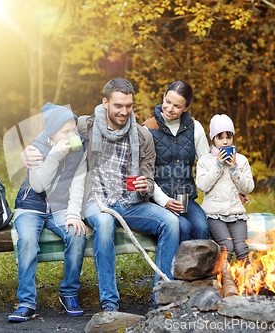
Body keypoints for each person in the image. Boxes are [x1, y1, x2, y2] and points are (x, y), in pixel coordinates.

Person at [79, 78, 179, 312]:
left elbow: (148, 178)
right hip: (97, 200)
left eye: (129, 106)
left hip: (129, 202)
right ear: (105, 103)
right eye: (118, 106)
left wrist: (146, 186)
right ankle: (110, 303)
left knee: (171, 222)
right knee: (104, 223)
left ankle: (161, 298)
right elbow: (52, 134)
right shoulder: (86, 125)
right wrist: (31, 152)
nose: (124, 111)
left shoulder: (143, 137)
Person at [8, 103, 88, 322]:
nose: (72, 135)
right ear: (52, 134)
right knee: (27, 242)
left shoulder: (79, 148)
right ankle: (26, 302)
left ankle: (69, 292)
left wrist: (73, 214)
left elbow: (78, 183)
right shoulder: (35, 149)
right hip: (31, 205)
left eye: (74, 130)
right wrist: (54, 156)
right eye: (66, 132)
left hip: (60, 207)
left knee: (76, 234)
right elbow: (38, 186)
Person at [143, 81, 210, 242]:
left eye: (177, 106)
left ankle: (200, 267)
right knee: (183, 228)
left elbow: (208, 165)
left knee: (202, 227)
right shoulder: (148, 129)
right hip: (158, 200)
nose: (169, 109)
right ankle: (179, 267)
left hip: (186, 198)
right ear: (163, 97)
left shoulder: (195, 127)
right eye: (167, 102)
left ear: (186, 107)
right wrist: (164, 201)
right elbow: (144, 174)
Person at [196, 114, 254, 263]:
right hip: (214, 214)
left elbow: (248, 187)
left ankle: (247, 283)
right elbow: (202, 185)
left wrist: (235, 169)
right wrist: (218, 166)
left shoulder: (241, 160)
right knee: (226, 247)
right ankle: (221, 282)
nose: (225, 141)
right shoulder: (205, 161)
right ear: (213, 139)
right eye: (220, 137)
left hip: (236, 213)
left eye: (229, 137)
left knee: (242, 249)